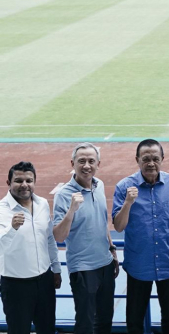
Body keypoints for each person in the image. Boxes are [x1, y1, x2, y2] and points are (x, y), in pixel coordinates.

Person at [112, 139, 169, 334]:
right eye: (146, 159)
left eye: (155, 158)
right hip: (139, 264)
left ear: (162, 159)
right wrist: (128, 203)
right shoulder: (124, 187)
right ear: (137, 160)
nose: (151, 163)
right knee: (135, 320)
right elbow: (119, 226)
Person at [53, 143, 119, 334]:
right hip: (83, 268)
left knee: (105, 320)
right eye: (81, 161)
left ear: (98, 164)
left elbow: (102, 219)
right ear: (72, 163)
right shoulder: (64, 195)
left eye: (91, 161)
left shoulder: (99, 185)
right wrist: (71, 210)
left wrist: (112, 249)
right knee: (85, 323)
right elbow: (58, 236)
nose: (86, 165)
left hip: (105, 264)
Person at [0, 161, 61, 334]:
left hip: (44, 281)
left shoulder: (42, 204)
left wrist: (56, 269)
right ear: (9, 183)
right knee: (18, 330)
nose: (24, 185)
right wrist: (12, 229)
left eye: (29, 180)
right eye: (18, 180)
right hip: (16, 285)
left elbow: (49, 239)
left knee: (47, 329)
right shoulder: (1, 210)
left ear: (34, 181)